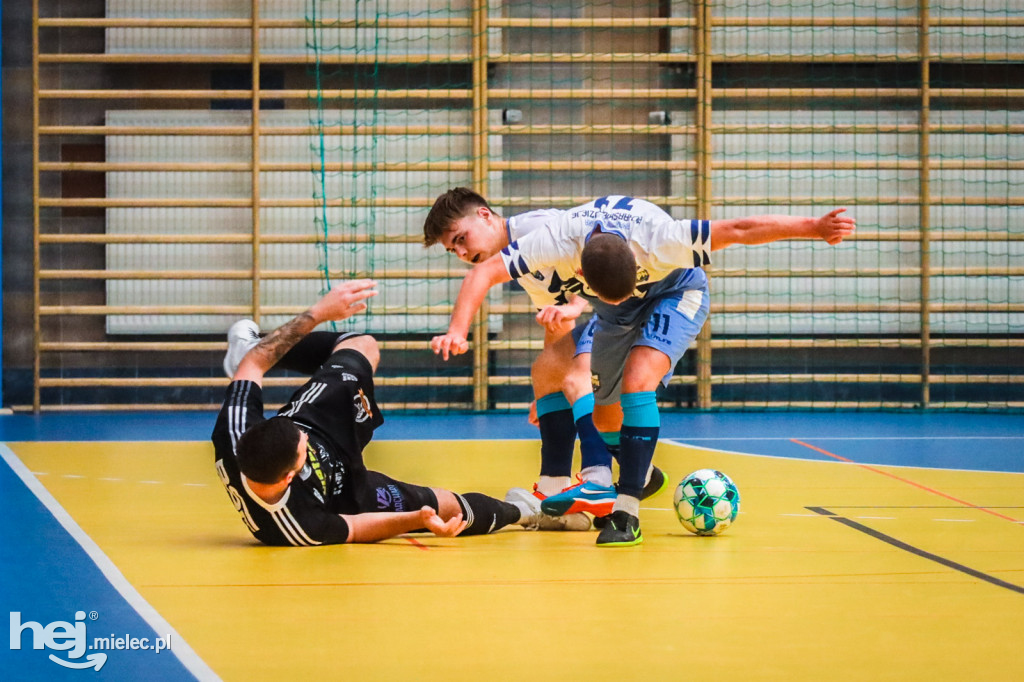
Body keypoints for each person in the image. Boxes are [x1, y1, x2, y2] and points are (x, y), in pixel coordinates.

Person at [429, 192, 855, 547]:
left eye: (460, 240)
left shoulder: (662, 240)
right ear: (581, 271)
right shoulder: (555, 241)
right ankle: (642, 473)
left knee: (637, 382)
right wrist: (459, 330)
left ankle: (625, 511)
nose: (462, 253)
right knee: (602, 417)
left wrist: (814, 227)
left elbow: (739, 230)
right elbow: (487, 273)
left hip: (676, 292)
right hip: (616, 309)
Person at [213, 279, 589, 547]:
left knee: (363, 345)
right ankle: (525, 513)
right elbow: (358, 528)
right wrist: (418, 520)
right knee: (444, 505)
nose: (303, 441)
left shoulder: (236, 432)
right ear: (289, 477)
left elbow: (255, 363)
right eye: (301, 448)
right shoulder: (298, 524)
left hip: (315, 419)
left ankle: (255, 350)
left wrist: (319, 312)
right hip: (344, 493)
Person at [423, 188, 667, 520]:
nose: (462, 252)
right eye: (454, 250)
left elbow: (599, 258)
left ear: (484, 215)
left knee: (577, 376)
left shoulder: (540, 228)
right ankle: (554, 489)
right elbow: (557, 330)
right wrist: (549, 388)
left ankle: (598, 480)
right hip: (604, 313)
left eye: (461, 238)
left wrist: (456, 332)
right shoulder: (520, 264)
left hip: (629, 309)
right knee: (547, 369)